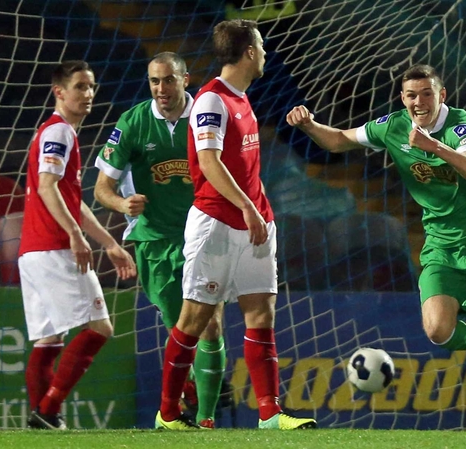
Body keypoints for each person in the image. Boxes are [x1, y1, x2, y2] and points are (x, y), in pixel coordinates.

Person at [286, 64, 466, 433]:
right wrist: (309, 125)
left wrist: (433, 146)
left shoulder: (458, 124)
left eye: (427, 93)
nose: (419, 102)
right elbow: (339, 139)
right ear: (403, 99)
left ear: (441, 95)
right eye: (411, 95)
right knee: (438, 331)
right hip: (441, 245)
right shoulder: (392, 126)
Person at [154, 19, 316, 430]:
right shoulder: (211, 100)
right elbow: (209, 162)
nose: (264, 53)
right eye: (260, 46)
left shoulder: (243, 99)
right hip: (216, 224)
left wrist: (258, 207)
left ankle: (269, 414)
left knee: (261, 313)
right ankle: (168, 414)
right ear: (247, 52)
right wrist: (247, 207)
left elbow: (243, 167)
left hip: (255, 224)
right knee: (194, 320)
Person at [93, 52, 227, 429]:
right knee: (179, 329)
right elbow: (103, 187)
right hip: (154, 240)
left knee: (209, 324)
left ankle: (206, 419)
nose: (161, 89)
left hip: (203, 234)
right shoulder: (133, 122)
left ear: (186, 79)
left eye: (168, 80)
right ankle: (185, 399)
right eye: (154, 81)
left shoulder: (207, 114)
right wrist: (123, 203)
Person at [19, 60, 137, 430]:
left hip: (32, 251)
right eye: (80, 87)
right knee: (99, 327)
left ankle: (42, 419)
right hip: (54, 248)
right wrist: (74, 235)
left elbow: (72, 199)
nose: (88, 94)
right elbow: (46, 186)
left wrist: (109, 243)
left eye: (91, 87)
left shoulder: (56, 133)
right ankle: (50, 408)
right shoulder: (60, 133)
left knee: (48, 340)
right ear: (59, 92)